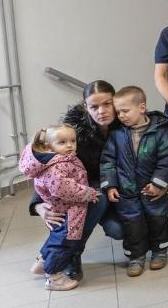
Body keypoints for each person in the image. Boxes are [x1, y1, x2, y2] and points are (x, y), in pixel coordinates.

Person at [30, 80, 124, 281]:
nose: (102, 111)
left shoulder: (128, 123)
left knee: (119, 230)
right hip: (81, 196)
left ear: (115, 102)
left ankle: (51, 253)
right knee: (97, 197)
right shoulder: (72, 134)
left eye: (107, 104)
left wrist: (164, 182)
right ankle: (72, 254)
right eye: (94, 106)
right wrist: (38, 205)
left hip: (119, 191)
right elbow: (49, 169)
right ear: (85, 107)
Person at [100, 86, 168, 277]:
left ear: (142, 107)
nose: (121, 116)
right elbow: (108, 160)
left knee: (157, 220)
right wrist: (111, 185)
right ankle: (136, 256)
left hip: (152, 190)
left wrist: (159, 183)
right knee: (132, 224)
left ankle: (159, 251)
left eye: (125, 111)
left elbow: (166, 160)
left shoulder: (160, 131)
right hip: (126, 191)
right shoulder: (117, 134)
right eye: (118, 112)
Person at [20, 125, 99, 291]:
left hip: (61, 208)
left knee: (56, 238)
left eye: (72, 141)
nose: (70, 145)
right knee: (65, 243)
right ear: (49, 147)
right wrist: (88, 193)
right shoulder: (58, 164)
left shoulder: (56, 159)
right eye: (62, 142)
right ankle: (54, 276)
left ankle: (42, 261)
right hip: (69, 210)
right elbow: (63, 188)